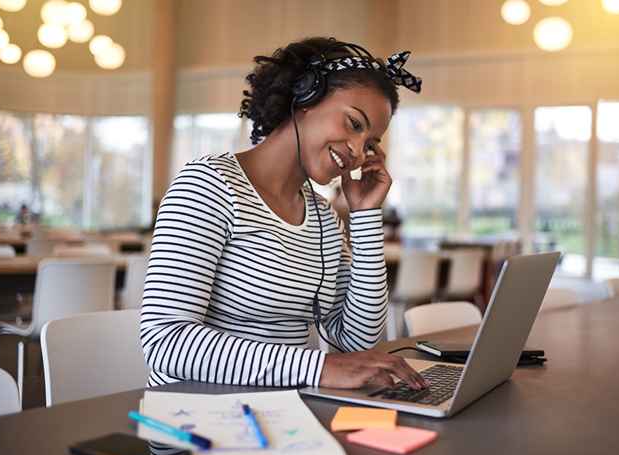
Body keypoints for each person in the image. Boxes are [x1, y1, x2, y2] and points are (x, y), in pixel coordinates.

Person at [140, 37, 428, 391]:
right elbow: (165, 341)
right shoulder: (208, 185)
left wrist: (365, 217)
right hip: (197, 415)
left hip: (284, 413)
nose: (357, 151)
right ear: (305, 98)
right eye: (354, 124)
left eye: (370, 144)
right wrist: (318, 368)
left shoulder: (322, 216)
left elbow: (357, 344)